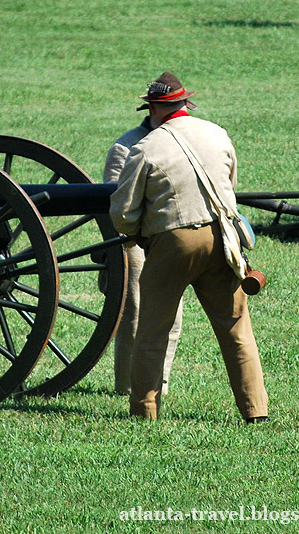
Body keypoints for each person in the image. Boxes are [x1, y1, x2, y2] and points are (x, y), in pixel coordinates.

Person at [109, 72, 269, 422]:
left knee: (153, 330)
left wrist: (141, 232)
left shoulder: (145, 147)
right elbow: (230, 187)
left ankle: (145, 411)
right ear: (185, 104)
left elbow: (122, 214)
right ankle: (255, 410)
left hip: (173, 243)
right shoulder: (217, 134)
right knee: (236, 328)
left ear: (152, 108)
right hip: (223, 239)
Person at [103, 111, 183, 397]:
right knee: (134, 316)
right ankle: (127, 387)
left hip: (169, 237)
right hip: (133, 240)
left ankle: (159, 385)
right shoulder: (124, 148)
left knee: (172, 317)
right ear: (153, 110)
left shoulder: (180, 139)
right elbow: (117, 205)